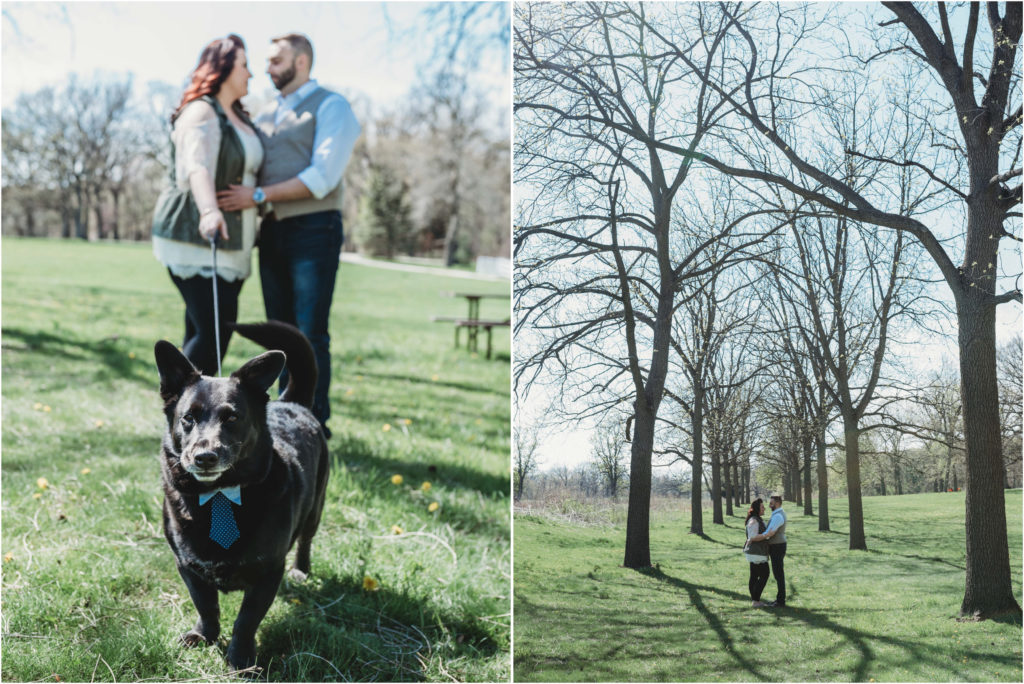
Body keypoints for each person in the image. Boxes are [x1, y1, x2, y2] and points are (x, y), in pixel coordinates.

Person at [217, 33, 361, 438]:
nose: (267, 67)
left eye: (276, 59)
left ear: (301, 62)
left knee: (310, 330)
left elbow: (322, 176)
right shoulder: (264, 115)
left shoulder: (332, 107)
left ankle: (316, 424)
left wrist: (258, 195)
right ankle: (284, 420)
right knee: (279, 332)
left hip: (314, 229)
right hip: (272, 231)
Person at [152, 35, 263, 376]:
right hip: (196, 238)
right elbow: (196, 166)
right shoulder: (201, 111)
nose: (251, 74)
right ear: (224, 68)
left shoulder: (237, 115)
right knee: (214, 334)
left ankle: (180, 423)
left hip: (232, 243)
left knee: (204, 332)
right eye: (244, 65)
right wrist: (209, 211)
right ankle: (182, 420)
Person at [760, 494, 788, 607]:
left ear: (777, 503)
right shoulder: (776, 514)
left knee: (778, 574)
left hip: (777, 546)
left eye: (771, 503)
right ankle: (779, 600)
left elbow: (769, 533)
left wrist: (757, 537)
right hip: (777, 545)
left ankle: (780, 601)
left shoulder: (778, 516)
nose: (769, 505)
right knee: (778, 573)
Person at [743, 498, 770, 608]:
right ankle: (755, 600)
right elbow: (753, 537)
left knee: (754, 576)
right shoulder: (754, 520)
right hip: (756, 553)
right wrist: (767, 535)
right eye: (762, 507)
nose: (764, 508)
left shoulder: (757, 519)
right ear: (757, 509)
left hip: (755, 552)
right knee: (764, 575)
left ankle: (755, 600)